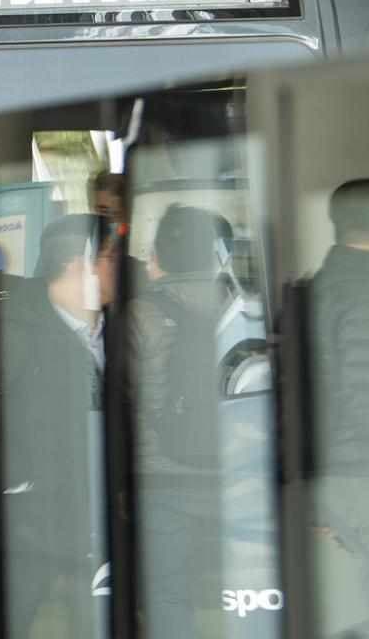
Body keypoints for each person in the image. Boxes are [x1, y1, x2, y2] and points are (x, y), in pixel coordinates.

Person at [0, 214, 112, 638]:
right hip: (38, 520)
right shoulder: (19, 336)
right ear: (75, 266)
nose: (116, 266)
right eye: (106, 257)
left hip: (96, 513)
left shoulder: (113, 329)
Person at [125, 204, 230, 636]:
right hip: (228, 474)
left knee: (169, 594)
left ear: (158, 255)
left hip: (161, 477)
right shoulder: (237, 302)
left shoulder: (139, 313)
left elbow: (124, 398)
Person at [310, 179, 369, 635]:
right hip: (366, 472)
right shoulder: (367, 292)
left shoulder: (319, 286)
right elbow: (368, 392)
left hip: (333, 470)